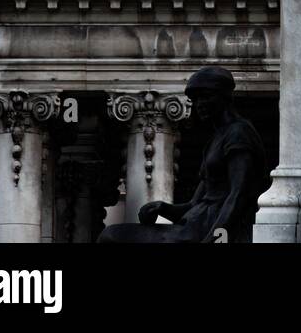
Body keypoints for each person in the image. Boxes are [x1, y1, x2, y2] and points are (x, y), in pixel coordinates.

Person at [97, 67, 268, 244]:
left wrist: (215, 238)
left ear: (224, 97)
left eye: (205, 96)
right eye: (195, 99)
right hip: (194, 224)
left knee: (112, 237)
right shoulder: (216, 139)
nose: (199, 104)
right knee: (112, 235)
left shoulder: (239, 133)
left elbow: (238, 195)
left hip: (208, 227)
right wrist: (162, 208)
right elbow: (193, 205)